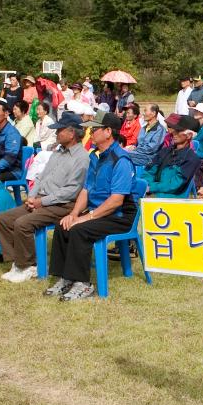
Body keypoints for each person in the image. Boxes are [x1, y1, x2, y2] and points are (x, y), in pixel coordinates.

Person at [42, 112, 137, 302]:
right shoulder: (95, 157)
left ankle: (83, 283)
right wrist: (74, 213)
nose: (89, 133)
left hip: (119, 215)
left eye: (94, 129)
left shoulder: (121, 160)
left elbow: (116, 201)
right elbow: (86, 190)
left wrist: (85, 217)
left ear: (108, 132)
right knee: (64, 225)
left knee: (79, 229)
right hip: (99, 211)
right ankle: (65, 277)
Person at [0, 111, 91, 283]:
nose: (56, 133)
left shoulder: (82, 158)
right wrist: (32, 196)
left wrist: (41, 202)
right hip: (42, 199)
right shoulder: (58, 151)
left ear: (72, 133)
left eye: (60, 130)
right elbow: (41, 176)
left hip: (63, 205)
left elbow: (71, 191)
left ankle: (29, 265)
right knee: (3, 219)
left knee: (22, 223)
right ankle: (18, 261)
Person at [145, 114, 203, 197]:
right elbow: (149, 170)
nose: (173, 132)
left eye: (178, 130)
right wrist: (147, 184)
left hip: (172, 199)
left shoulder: (191, 159)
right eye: (174, 129)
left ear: (189, 135)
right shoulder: (165, 151)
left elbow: (175, 185)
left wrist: (151, 187)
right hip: (153, 193)